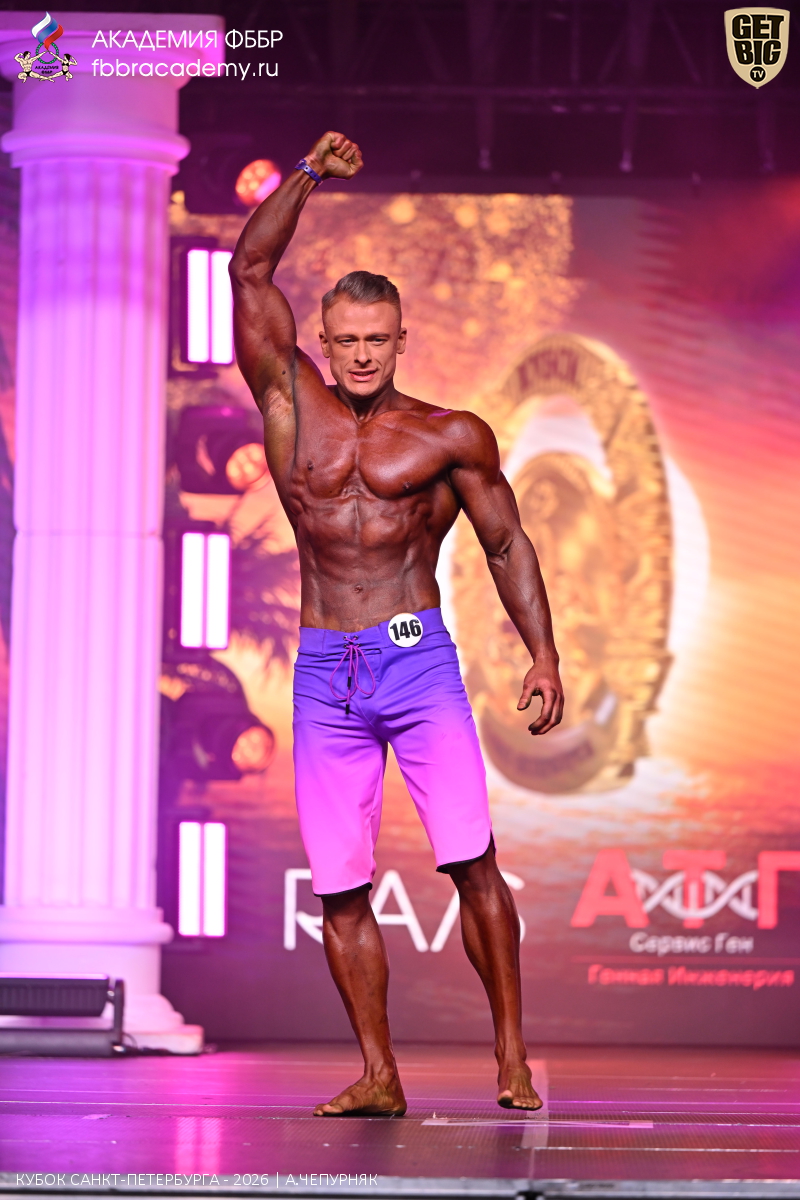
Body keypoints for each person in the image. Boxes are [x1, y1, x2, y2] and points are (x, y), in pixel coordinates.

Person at [230, 132, 564, 1117]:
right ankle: (379, 1074)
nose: (363, 354)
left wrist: (543, 654)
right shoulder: (289, 404)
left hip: (416, 666)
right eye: (347, 340)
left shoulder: (449, 434)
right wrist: (306, 175)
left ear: (400, 339)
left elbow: (505, 544)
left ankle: (510, 1058)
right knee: (339, 887)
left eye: (378, 339)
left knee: (472, 861)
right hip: (323, 672)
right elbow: (249, 270)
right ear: (324, 341)